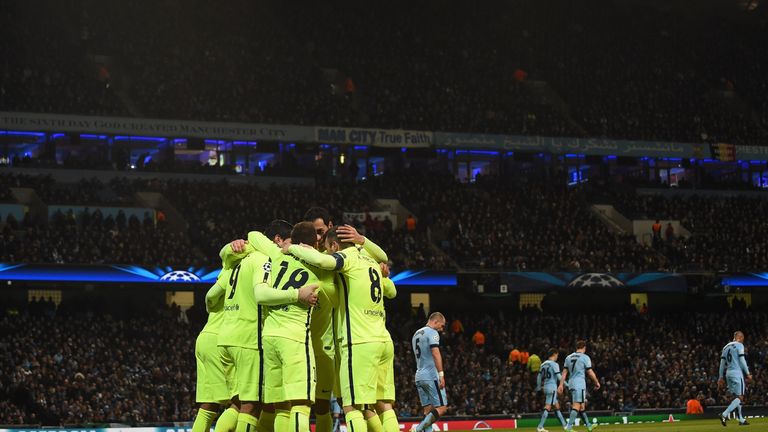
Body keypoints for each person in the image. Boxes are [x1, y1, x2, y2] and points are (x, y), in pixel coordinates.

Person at [287, 226, 397, 432]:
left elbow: (323, 261)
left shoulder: (346, 258)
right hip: (383, 339)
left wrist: (293, 248)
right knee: (383, 405)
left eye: (329, 248)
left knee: (351, 406)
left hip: (359, 341)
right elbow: (392, 290)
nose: (328, 252)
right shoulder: (370, 260)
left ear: (335, 245)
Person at [218, 221, 319, 432]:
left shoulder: (249, 257)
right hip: (254, 339)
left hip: (235, 334)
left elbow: (210, 298)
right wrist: (297, 294)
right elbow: (261, 294)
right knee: (252, 405)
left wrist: (231, 247)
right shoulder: (268, 259)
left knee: (260, 404)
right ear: (278, 240)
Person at [247, 221, 327, 432]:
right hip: (295, 338)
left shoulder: (278, 255)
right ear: (315, 243)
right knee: (301, 404)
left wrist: (284, 248)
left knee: (281, 406)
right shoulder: (320, 267)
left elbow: (253, 233)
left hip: (270, 337)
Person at [191, 246, 248, 432]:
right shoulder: (241, 271)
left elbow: (210, 298)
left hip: (205, 336)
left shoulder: (226, 269)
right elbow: (209, 296)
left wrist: (211, 308)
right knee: (241, 403)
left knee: (209, 406)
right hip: (220, 339)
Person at [410, 312, 448, 432]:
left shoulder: (416, 334)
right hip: (431, 375)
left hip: (419, 376)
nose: (442, 329)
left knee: (428, 411)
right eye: (442, 326)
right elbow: (435, 352)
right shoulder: (432, 332)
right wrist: (441, 374)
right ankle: (418, 429)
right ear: (435, 322)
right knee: (442, 408)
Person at [559, 340, 600, 432]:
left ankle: (589, 425)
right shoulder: (585, 357)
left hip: (571, 383)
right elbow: (589, 372)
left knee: (581, 406)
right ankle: (569, 427)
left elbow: (564, 372)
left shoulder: (568, 357)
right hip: (579, 383)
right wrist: (596, 382)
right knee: (577, 405)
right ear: (584, 348)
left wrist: (561, 385)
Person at [718, 331, 752, 426]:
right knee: (740, 397)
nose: (743, 341)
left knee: (736, 398)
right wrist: (748, 373)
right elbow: (742, 359)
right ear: (740, 337)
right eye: (743, 339)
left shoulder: (725, 347)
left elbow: (722, 364)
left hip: (728, 374)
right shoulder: (739, 345)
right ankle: (724, 414)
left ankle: (741, 419)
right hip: (737, 373)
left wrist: (720, 377)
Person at [535, 349, 567, 432]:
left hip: (545, 387)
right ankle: (540, 426)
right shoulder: (554, 364)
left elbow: (539, 377)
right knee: (548, 407)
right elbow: (559, 377)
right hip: (552, 387)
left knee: (556, 407)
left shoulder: (543, 364)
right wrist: (567, 384)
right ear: (554, 354)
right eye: (557, 355)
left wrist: (538, 387)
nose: (557, 357)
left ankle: (565, 425)